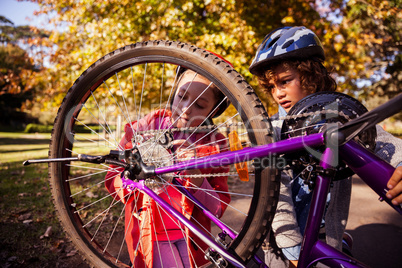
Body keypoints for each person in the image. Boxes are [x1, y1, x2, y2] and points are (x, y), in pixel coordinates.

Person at [248, 26, 402, 267]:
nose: (277, 93)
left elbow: (383, 142)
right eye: (271, 87)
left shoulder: (342, 116)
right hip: (281, 241)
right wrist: (292, 247)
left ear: (311, 75)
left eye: (284, 81)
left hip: (325, 238)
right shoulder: (273, 129)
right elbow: (276, 188)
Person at [105, 61, 232, 267]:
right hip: (150, 233)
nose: (186, 109)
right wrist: (135, 175)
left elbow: (217, 208)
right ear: (174, 91)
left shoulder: (215, 145)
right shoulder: (144, 128)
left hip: (192, 236)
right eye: (182, 96)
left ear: (213, 111)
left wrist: (195, 173)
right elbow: (113, 179)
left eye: (200, 105)